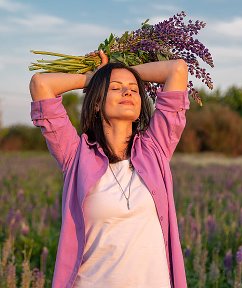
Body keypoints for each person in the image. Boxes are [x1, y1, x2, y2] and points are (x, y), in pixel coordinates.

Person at [29, 50, 190, 288]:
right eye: (115, 88)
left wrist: (119, 70)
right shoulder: (76, 155)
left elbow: (176, 69)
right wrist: (96, 77)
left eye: (134, 89)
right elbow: (40, 84)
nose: (127, 92)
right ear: (96, 102)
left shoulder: (155, 148)